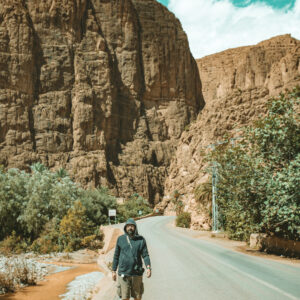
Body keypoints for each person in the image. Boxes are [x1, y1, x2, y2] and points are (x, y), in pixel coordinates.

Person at [112, 218, 151, 300]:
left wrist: (148, 267)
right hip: (123, 273)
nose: (130, 228)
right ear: (125, 228)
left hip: (136, 274)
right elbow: (116, 256)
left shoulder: (141, 240)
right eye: (128, 226)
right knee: (125, 297)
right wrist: (113, 270)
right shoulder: (120, 239)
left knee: (137, 297)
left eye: (132, 226)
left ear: (135, 227)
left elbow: (145, 255)